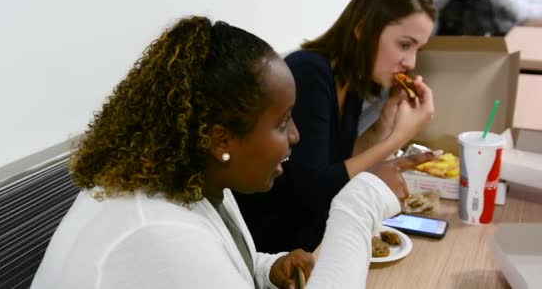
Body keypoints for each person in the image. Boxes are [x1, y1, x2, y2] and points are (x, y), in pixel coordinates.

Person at [30, 16, 440, 289]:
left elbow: (217, 264)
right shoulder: (156, 234)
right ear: (221, 139)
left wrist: (267, 269)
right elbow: (185, 261)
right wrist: (360, 203)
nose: (295, 136)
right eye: (282, 122)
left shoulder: (196, 180)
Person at [235, 0, 436, 254]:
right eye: (404, 45)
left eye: (418, 48)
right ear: (363, 30)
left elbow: (339, 164)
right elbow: (315, 188)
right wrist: (399, 138)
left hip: (315, 237)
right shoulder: (308, 73)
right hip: (277, 250)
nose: (410, 61)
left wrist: (385, 123)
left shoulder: (351, 80)